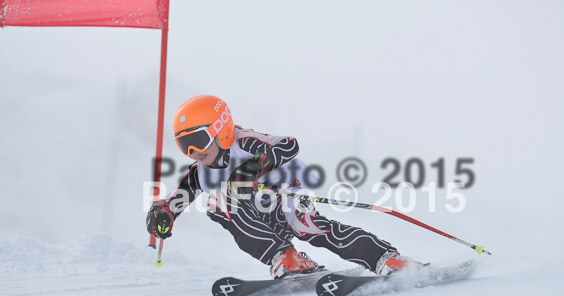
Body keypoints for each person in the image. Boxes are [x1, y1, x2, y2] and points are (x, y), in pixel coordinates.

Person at [146, 95, 423, 278]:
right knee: (218, 205)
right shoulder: (201, 171)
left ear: (221, 128)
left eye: (198, 139)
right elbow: (179, 197)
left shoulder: (245, 142)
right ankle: (285, 257)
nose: (194, 151)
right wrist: (165, 212)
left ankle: (385, 258)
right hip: (256, 214)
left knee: (307, 227)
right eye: (184, 145)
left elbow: (289, 144)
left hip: (286, 192)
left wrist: (254, 167)